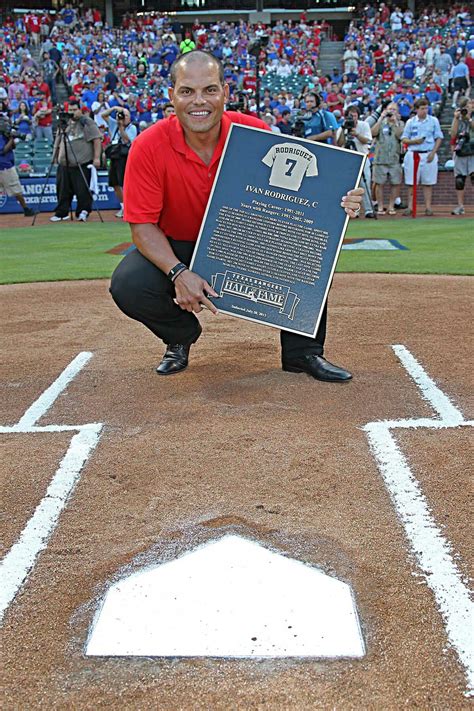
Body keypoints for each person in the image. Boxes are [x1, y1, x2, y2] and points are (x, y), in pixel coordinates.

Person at [109, 51, 363, 382]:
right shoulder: (148, 145)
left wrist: (340, 202)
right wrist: (178, 273)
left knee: (306, 252)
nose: (199, 100)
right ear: (171, 95)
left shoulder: (256, 133)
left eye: (209, 90)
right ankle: (180, 336)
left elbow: (304, 196)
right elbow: (142, 226)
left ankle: (304, 353)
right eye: (187, 91)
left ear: (225, 93)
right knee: (128, 283)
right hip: (179, 245)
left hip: (244, 238)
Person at [50, 99, 101, 223]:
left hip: (82, 162)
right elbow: (58, 139)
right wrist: (54, 156)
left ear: (80, 109)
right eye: (70, 110)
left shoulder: (87, 122)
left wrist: (96, 158)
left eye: (74, 110)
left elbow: (96, 140)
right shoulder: (65, 123)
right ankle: (62, 212)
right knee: (62, 189)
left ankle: (83, 211)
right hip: (65, 163)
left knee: (82, 190)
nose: (72, 113)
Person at [402, 98, 443, 216]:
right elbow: (404, 138)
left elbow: (439, 137)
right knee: (411, 182)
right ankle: (410, 206)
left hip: (428, 152)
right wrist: (414, 142)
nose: (425, 111)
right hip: (413, 153)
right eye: (422, 108)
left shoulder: (433, 121)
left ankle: (428, 207)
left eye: (426, 108)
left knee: (428, 182)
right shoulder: (410, 122)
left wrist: (433, 152)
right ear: (416, 109)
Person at [336, 106, 374, 218]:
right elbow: (340, 143)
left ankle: (369, 210)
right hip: (348, 158)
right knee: (349, 186)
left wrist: (356, 134)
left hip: (362, 156)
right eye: (350, 116)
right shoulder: (343, 126)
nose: (352, 118)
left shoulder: (364, 125)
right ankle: (353, 211)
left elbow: (368, 140)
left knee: (365, 183)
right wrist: (344, 130)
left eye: (354, 115)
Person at [101, 106, 137, 219]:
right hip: (114, 156)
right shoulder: (114, 124)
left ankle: (129, 207)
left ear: (129, 117)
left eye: (125, 115)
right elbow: (103, 115)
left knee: (124, 183)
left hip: (125, 157)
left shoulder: (132, 128)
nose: (122, 117)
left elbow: (127, 140)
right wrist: (114, 108)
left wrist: (121, 127)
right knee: (115, 183)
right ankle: (123, 206)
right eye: (120, 115)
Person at [371, 102, 403, 215]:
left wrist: (396, 122)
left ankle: (391, 206)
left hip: (394, 158)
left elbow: (401, 136)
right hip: (380, 158)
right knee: (379, 183)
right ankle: (380, 206)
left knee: (395, 183)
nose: (391, 112)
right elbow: (372, 133)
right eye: (390, 109)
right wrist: (381, 118)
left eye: (394, 109)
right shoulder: (381, 122)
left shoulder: (400, 123)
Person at [0, 116, 36, 216]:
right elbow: (3, 151)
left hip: (7, 165)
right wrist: (11, 138)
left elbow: (13, 147)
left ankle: (26, 209)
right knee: (16, 189)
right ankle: (26, 209)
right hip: (4, 166)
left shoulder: (4, 135)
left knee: (17, 190)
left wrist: (11, 137)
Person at [450, 98, 474, 215]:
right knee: (459, 180)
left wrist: (469, 119)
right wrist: (456, 118)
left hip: (473, 150)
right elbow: (453, 134)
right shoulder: (458, 119)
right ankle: (460, 206)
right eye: (467, 105)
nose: (469, 107)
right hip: (461, 151)